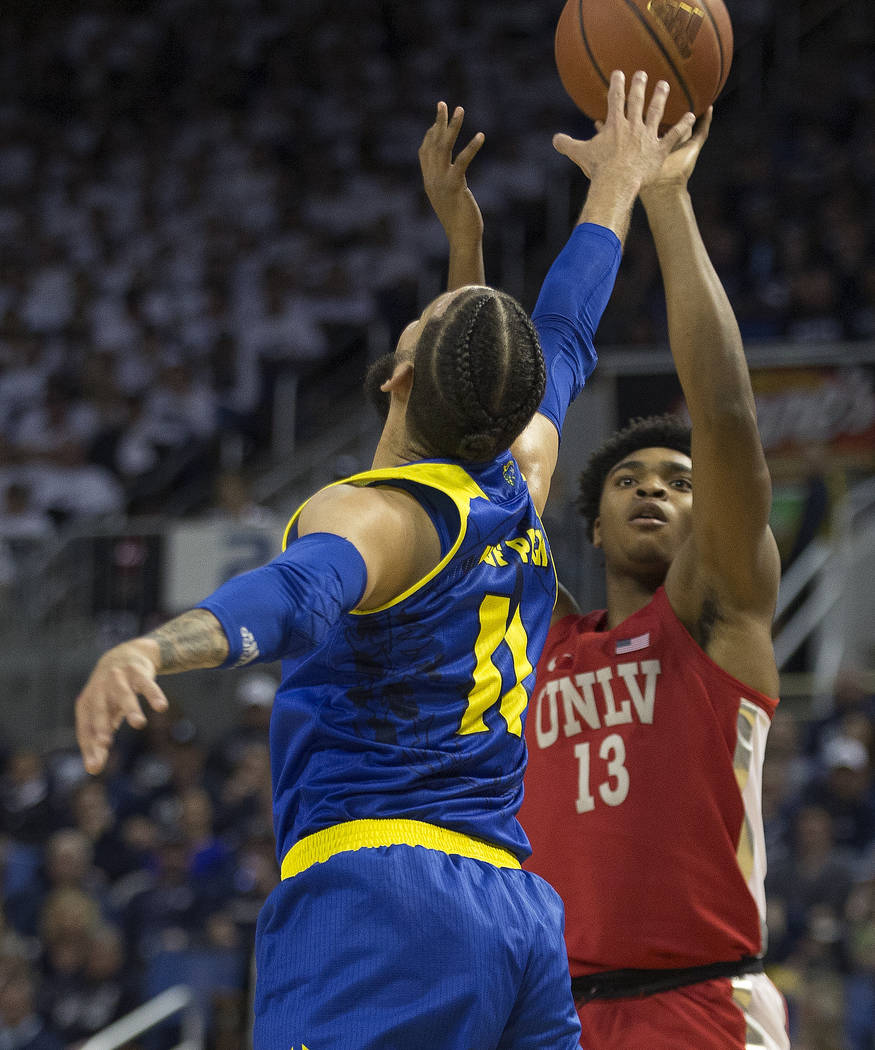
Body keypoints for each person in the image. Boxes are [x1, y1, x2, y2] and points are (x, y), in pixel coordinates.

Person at [75, 73, 695, 1049]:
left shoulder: (378, 518)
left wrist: (153, 649)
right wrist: (612, 185)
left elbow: (290, 593)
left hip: (378, 904)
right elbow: (561, 331)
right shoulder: (519, 475)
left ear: (397, 378)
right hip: (513, 912)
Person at [516, 108, 792, 1048]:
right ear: (590, 526)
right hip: (554, 1014)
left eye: (678, 484)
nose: (652, 492)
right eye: (629, 481)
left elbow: (720, 413)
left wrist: (664, 200)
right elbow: (487, 475)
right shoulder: (541, 638)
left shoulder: (719, 616)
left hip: (700, 1000)